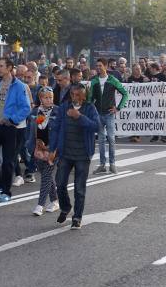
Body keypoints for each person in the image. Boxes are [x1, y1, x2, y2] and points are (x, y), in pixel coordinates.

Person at [49, 83, 99, 230]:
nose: (75, 98)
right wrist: (52, 149)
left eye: (78, 95)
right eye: (72, 94)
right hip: (66, 153)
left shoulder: (90, 108)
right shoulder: (64, 107)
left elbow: (97, 126)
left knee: (79, 188)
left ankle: (77, 217)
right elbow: (56, 128)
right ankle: (65, 207)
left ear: (84, 96)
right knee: (60, 184)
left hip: (83, 154)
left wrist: (80, 117)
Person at [0, 57, 30, 203]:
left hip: (10, 128)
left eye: (0, 66)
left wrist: (11, 119)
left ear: (9, 68)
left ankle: (6, 191)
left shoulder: (19, 86)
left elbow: (26, 108)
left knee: (8, 161)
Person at [89, 59, 129, 174]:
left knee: (111, 139)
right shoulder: (94, 81)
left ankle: (112, 164)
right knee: (101, 140)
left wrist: (118, 107)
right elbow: (90, 98)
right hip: (98, 114)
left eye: (100, 66)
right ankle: (102, 164)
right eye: (97, 66)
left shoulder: (113, 80)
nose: (98, 68)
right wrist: (91, 109)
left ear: (105, 66)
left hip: (109, 114)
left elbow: (125, 94)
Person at [30, 87, 59, 216]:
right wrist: (32, 144)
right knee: (46, 177)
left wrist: (52, 148)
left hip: (53, 149)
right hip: (38, 148)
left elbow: (60, 133)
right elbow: (32, 131)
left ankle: (40, 205)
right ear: (41, 98)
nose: (49, 100)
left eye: (51, 97)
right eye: (46, 97)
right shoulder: (37, 111)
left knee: (46, 176)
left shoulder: (58, 111)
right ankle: (55, 201)